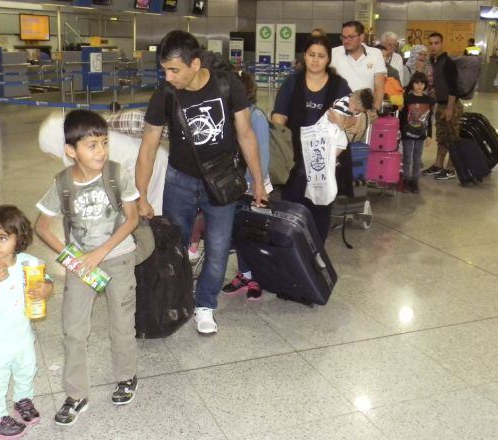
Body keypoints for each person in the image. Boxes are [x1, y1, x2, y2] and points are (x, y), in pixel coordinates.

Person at [136, 30, 267, 334]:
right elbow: (148, 146)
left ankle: (205, 304)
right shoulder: (165, 94)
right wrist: (141, 195)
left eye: (174, 70)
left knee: (219, 248)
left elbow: (246, 134)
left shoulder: (227, 85)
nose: (168, 77)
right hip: (179, 179)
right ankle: (177, 297)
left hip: (221, 181)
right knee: (174, 245)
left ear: (195, 64)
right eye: (164, 70)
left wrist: (258, 180)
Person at [35, 109, 140, 426]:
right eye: (92, 145)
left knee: (122, 324)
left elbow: (132, 218)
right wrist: (73, 258)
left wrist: (102, 251)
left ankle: (126, 376)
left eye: (104, 143)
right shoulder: (63, 184)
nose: (101, 151)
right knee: (74, 331)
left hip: (119, 258)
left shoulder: (116, 174)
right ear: (71, 150)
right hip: (80, 268)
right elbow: (42, 226)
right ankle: (76, 394)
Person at [0, 205, 52, 439]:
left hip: (22, 337)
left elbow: (47, 281)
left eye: (3, 238)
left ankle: (22, 401)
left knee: (26, 370)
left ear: (19, 239)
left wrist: (45, 289)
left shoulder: (29, 262)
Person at [272, 35, 351, 242]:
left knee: (320, 211)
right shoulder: (292, 82)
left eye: (321, 56)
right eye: (311, 55)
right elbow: (279, 115)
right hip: (294, 158)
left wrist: (343, 122)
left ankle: (316, 255)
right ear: (304, 56)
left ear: (328, 59)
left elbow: (355, 120)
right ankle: (292, 255)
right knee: (292, 210)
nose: (315, 60)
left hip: (324, 161)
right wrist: (278, 143)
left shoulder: (339, 85)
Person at [221, 71, 272, 301]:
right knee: (241, 233)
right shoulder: (232, 116)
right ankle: (244, 274)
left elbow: (261, 155)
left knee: (254, 235)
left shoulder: (256, 116)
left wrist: (255, 185)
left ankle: (258, 278)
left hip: (254, 186)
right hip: (237, 186)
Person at [421, 32, 460, 181]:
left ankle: (451, 167)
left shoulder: (448, 63)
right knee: (442, 137)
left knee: (452, 137)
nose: (433, 46)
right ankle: (438, 164)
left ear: (442, 44)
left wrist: (450, 109)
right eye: (430, 43)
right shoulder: (433, 61)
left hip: (451, 105)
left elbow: (453, 88)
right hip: (440, 105)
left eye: (436, 43)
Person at [330, 20, 386, 112]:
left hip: (365, 111)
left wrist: (375, 110)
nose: (346, 41)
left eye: (350, 37)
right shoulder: (333, 53)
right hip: (338, 110)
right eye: (343, 37)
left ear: (362, 37)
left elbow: (379, 87)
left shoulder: (376, 54)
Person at [399, 72, 435, 194]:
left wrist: (430, 135)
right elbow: (402, 117)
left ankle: (415, 181)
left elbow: (429, 118)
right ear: (412, 84)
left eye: (422, 83)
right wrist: (400, 131)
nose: (419, 86)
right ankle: (406, 181)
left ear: (425, 85)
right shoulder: (406, 98)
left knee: (417, 158)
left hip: (421, 133)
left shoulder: (429, 100)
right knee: (407, 157)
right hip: (407, 133)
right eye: (416, 83)